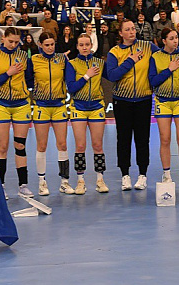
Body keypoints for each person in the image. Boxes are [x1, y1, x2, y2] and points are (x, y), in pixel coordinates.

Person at [106, 20, 160, 191]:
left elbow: (165, 55)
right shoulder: (114, 52)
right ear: (121, 33)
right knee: (123, 139)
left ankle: (142, 175)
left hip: (144, 100)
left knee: (142, 139)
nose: (132, 32)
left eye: (133, 29)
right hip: (122, 101)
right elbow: (112, 75)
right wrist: (130, 61)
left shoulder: (147, 46)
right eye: (127, 29)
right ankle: (125, 175)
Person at [0, 27, 33, 198]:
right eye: (10, 41)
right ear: (3, 38)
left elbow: (29, 79)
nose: (13, 45)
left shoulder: (24, 57)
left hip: (21, 106)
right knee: (2, 146)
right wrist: (8, 73)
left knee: (20, 145)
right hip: (1, 105)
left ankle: (23, 185)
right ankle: (1, 186)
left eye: (16, 42)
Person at [25, 31, 73, 196]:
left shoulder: (62, 59)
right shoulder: (34, 60)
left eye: (52, 44)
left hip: (59, 105)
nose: (50, 47)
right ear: (40, 45)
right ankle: (42, 182)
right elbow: (28, 80)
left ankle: (64, 182)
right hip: (41, 107)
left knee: (63, 144)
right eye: (47, 45)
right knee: (42, 146)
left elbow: (69, 79)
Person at [65, 34, 109, 194]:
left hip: (97, 106)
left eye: (87, 44)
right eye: (81, 45)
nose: (84, 47)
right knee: (80, 146)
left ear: (91, 45)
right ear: (77, 46)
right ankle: (80, 181)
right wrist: (86, 76)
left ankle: (100, 179)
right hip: (78, 107)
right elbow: (71, 88)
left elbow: (113, 75)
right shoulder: (72, 64)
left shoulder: (99, 63)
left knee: (98, 145)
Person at [149, 27, 179, 188]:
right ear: (164, 41)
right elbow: (153, 81)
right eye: (172, 38)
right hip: (163, 101)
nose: (175, 41)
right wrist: (169, 70)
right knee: (165, 139)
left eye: (177, 38)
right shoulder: (156, 57)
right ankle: (167, 175)